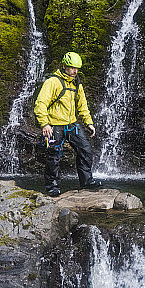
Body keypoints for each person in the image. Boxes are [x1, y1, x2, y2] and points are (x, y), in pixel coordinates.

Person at [34, 51, 102, 196]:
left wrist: (88, 123)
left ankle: (87, 181)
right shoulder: (52, 82)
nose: (75, 71)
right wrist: (45, 124)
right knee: (54, 155)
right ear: (64, 66)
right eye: (72, 68)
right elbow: (40, 103)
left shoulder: (77, 83)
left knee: (85, 149)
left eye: (77, 68)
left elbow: (82, 106)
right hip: (54, 125)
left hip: (71, 124)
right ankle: (52, 187)